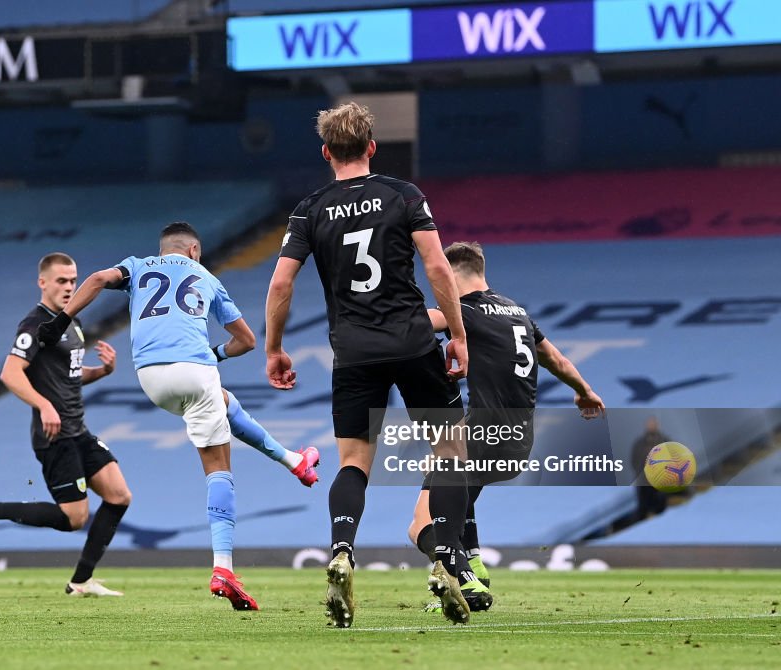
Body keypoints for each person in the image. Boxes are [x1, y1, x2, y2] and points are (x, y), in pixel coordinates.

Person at [265, 102, 472, 627]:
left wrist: (274, 347)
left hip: (353, 351)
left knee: (354, 462)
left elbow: (281, 283)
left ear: (326, 152)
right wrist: (460, 335)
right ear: (372, 148)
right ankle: (447, 560)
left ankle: (340, 549)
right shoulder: (404, 195)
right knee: (449, 447)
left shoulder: (309, 210)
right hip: (413, 341)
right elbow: (438, 267)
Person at [37, 222, 305, 611]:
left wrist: (60, 321)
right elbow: (247, 340)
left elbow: (96, 278)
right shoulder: (208, 278)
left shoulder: (137, 266)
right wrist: (216, 355)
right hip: (194, 370)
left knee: (225, 403)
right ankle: (224, 568)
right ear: (194, 250)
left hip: (149, 378)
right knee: (218, 467)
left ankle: (294, 461)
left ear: (163, 251)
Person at [405, 242, 605, 611]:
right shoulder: (518, 312)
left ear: (449, 275)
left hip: (484, 429)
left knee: (421, 523)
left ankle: (465, 581)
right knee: (456, 493)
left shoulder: (464, 310)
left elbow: (413, 323)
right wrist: (585, 391)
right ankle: (474, 564)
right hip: (520, 438)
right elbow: (556, 359)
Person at [0, 253, 131, 598]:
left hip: (78, 430)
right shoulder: (36, 324)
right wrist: (44, 404)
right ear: (43, 283)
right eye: (62, 281)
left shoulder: (72, 323)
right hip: (55, 437)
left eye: (73, 280)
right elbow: (10, 373)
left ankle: (80, 582)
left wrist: (103, 372)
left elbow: (69, 376)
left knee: (119, 495)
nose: (69, 287)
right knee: (74, 518)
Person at [630, 416, 673, 521]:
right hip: (644, 480)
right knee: (643, 508)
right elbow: (634, 460)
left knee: (661, 507)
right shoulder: (639, 444)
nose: (651, 427)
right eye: (650, 425)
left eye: (653, 424)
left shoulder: (665, 441)